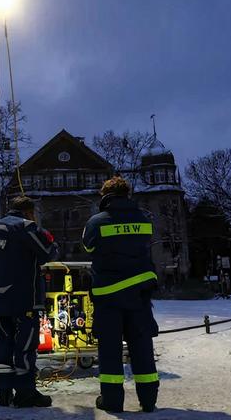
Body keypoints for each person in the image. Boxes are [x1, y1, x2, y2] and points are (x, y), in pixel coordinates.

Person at [82, 176, 159, 413]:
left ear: (104, 196)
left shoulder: (97, 222)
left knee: (110, 349)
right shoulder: (144, 218)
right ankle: (148, 401)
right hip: (140, 294)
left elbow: (89, 247)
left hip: (109, 296)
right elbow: (145, 243)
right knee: (142, 346)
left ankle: (113, 401)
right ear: (128, 194)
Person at [0, 196, 58, 408]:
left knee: (3, 345)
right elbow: (48, 252)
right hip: (23, 298)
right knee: (25, 346)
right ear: (29, 212)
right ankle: (25, 393)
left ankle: (4, 392)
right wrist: (48, 238)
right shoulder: (25, 227)